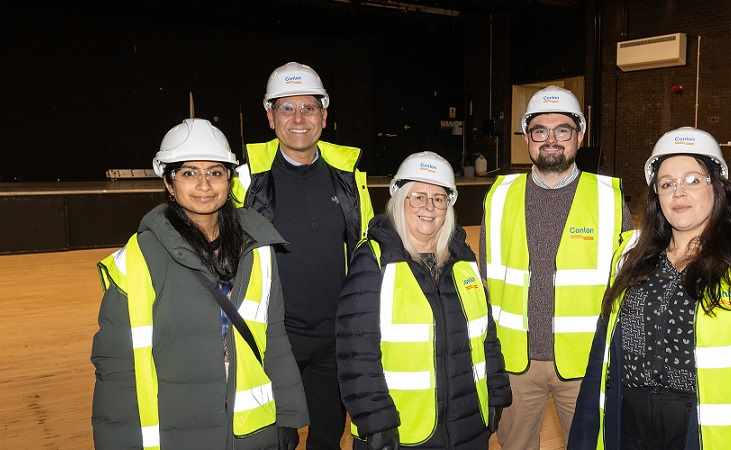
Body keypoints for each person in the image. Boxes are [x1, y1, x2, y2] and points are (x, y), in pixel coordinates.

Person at [568, 127, 731, 450]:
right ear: (656, 196)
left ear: (717, 187)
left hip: (699, 434)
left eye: (692, 179)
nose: (679, 193)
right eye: (667, 183)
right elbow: (599, 362)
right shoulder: (629, 255)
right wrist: (582, 438)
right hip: (627, 425)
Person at [91, 118, 307, 450]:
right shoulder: (137, 260)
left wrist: (288, 417)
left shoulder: (259, 247)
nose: (204, 185)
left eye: (215, 172)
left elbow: (274, 337)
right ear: (168, 181)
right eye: (189, 172)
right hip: (178, 433)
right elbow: (117, 369)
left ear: (229, 179)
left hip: (252, 433)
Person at [231, 62, 374, 450]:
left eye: (308, 108)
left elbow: (366, 251)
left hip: (334, 340)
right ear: (269, 115)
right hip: (273, 342)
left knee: (327, 438)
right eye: (286, 108)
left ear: (324, 116)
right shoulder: (242, 183)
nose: (298, 118)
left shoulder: (348, 179)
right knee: (276, 440)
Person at [480, 85, 631, 449]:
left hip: (585, 365)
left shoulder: (609, 198)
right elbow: (484, 278)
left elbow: (628, 286)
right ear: (527, 138)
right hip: (516, 364)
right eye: (540, 131)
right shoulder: (499, 195)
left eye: (562, 129)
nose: (551, 139)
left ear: (579, 136)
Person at [336, 151, 512, 450]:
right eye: (418, 196)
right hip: (402, 432)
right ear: (399, 200)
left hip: (467, 426)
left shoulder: (463, 261)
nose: (429, 207)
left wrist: (497, 394)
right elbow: (355, 353)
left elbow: (486, 337)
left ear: (449, 206)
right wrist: (377, 421)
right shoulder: (374, 261)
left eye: (438, 198)